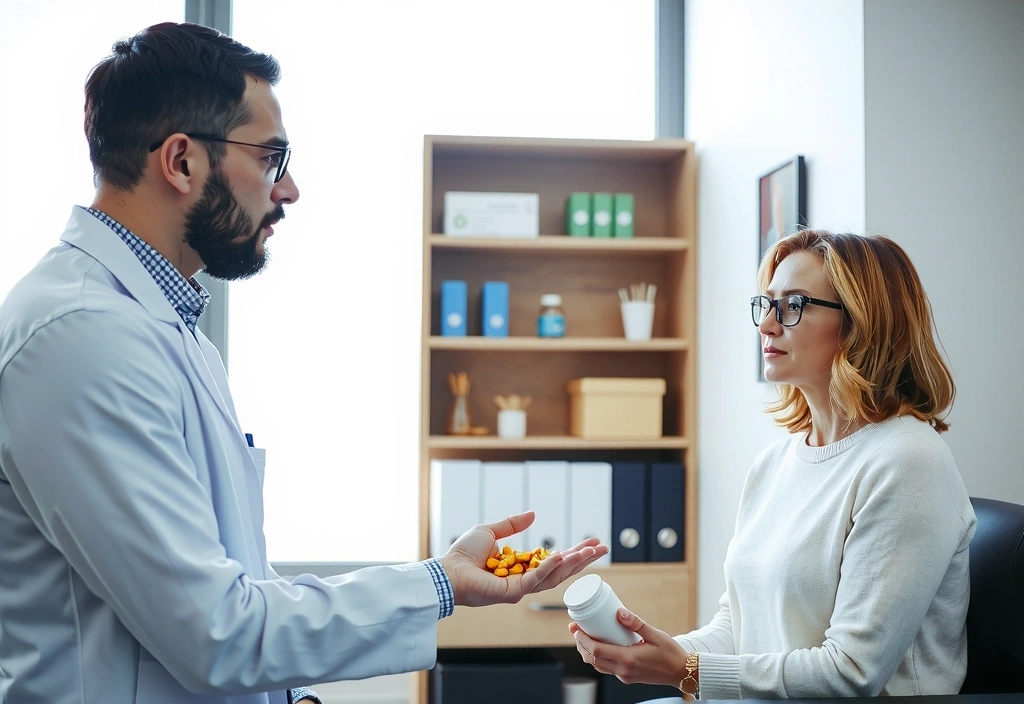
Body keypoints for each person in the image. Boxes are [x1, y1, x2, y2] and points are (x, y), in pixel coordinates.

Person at [0, 22, 608, 704]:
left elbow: (226, 593)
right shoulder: (79, 338)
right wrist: (439, 583)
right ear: (180, 162)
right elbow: (217, 635)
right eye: (271, 158)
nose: (288, 190)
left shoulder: (169, 331)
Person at [570, 230, 976, 699]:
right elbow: (739, 626)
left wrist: (688, 671)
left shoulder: (907, 461)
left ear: (863, 324)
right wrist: (652, 652)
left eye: (794, 305)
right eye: (767, 305)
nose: (766, 326)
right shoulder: (774, 463)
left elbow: (852, 673)